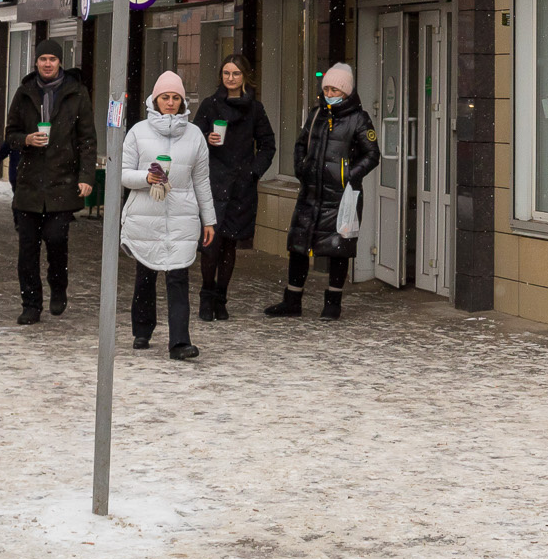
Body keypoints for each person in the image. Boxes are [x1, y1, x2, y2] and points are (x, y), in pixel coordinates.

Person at [265, 63, 380, 321]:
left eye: (335, 89)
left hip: (342, 196)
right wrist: (301, 167)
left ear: (346, 92)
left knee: (339, 247)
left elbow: (372, 154)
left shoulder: (358, 119)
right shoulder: (317, 114)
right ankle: (292, 300)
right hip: (311, 192)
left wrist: (347, 174)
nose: (329, 92)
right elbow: (300, 144)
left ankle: (333, 302)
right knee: (299, 245)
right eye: (327, 87)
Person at [0, 40, 94, 324]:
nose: (47, 63)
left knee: (56, 239)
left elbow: (87, 139)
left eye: (52, 59)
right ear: (36, 62)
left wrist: (86, 177)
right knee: (27, 248)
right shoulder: (25, 93)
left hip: (63, 182)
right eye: (43, 59)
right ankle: (31, 304)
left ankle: (58, 286)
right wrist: (26, 139)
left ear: (60, 62)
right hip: (29, 184)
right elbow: (10, 133)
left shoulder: (77, 93)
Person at [119, 71, 216, 360]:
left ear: (183, 101)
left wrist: (208, 219)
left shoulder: (195, 135)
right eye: (165, 97)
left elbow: (202, 181)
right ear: (155, 99)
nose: (171, 102)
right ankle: (142, 330)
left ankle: (179, 342)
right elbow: (123, 174)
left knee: (178, 277)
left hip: (181, 217)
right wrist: (146, 178)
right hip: (145, 215)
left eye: (176, 98)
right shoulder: (138, 132)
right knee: (145, 274)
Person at [193, 55, 275, 322]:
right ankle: (206, 296)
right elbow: (192, 140)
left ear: (245, 77)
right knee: (210, 243)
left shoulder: (255, 109)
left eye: (236, 73)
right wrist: (207, 138)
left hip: (241, 184)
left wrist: (253, 171)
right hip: (213, 182)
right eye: (226, 73)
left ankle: (221, 297)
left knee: (229, 244)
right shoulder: (210, 105)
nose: (230, 78)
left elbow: (267, 144)